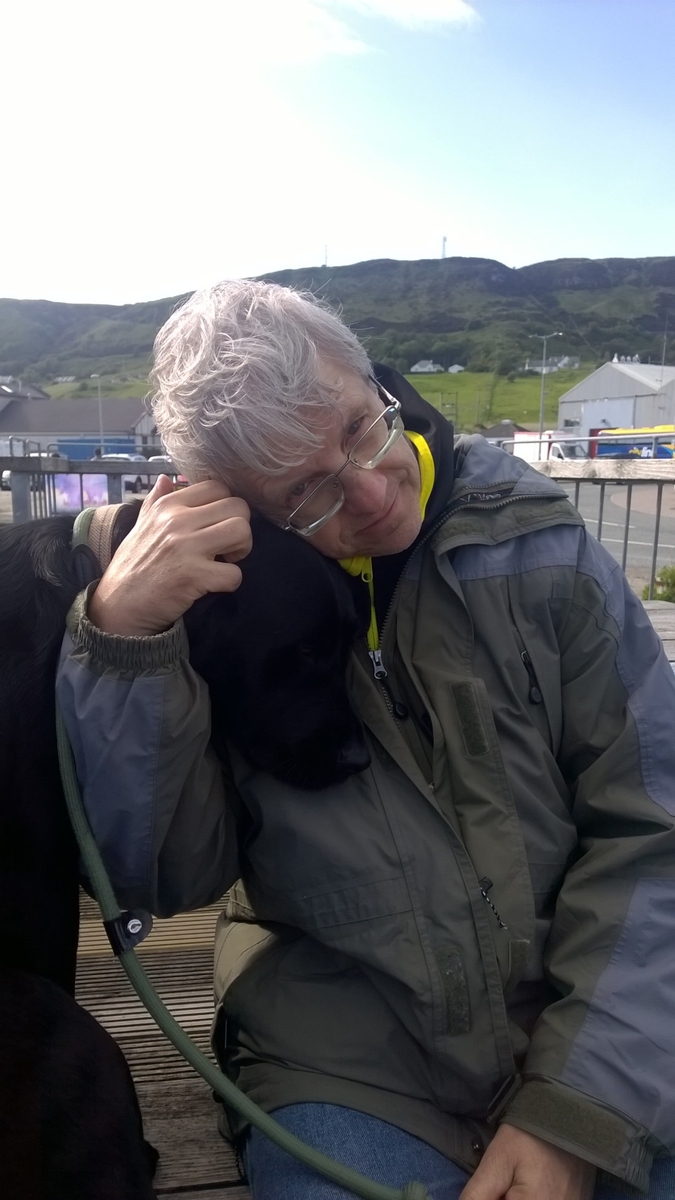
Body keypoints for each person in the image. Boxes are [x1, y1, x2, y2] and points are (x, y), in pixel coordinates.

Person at [56, 281, 675, 1200]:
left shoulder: (536, 544)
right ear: (235, 508)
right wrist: (130, 646)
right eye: (304, 491)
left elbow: (652, 828)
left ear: (373, 379)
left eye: (360, 427)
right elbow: (165, 878)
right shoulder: (218, 609)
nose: (375, 492)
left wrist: (576, 1108)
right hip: (348, 1065)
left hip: (600, 1025)